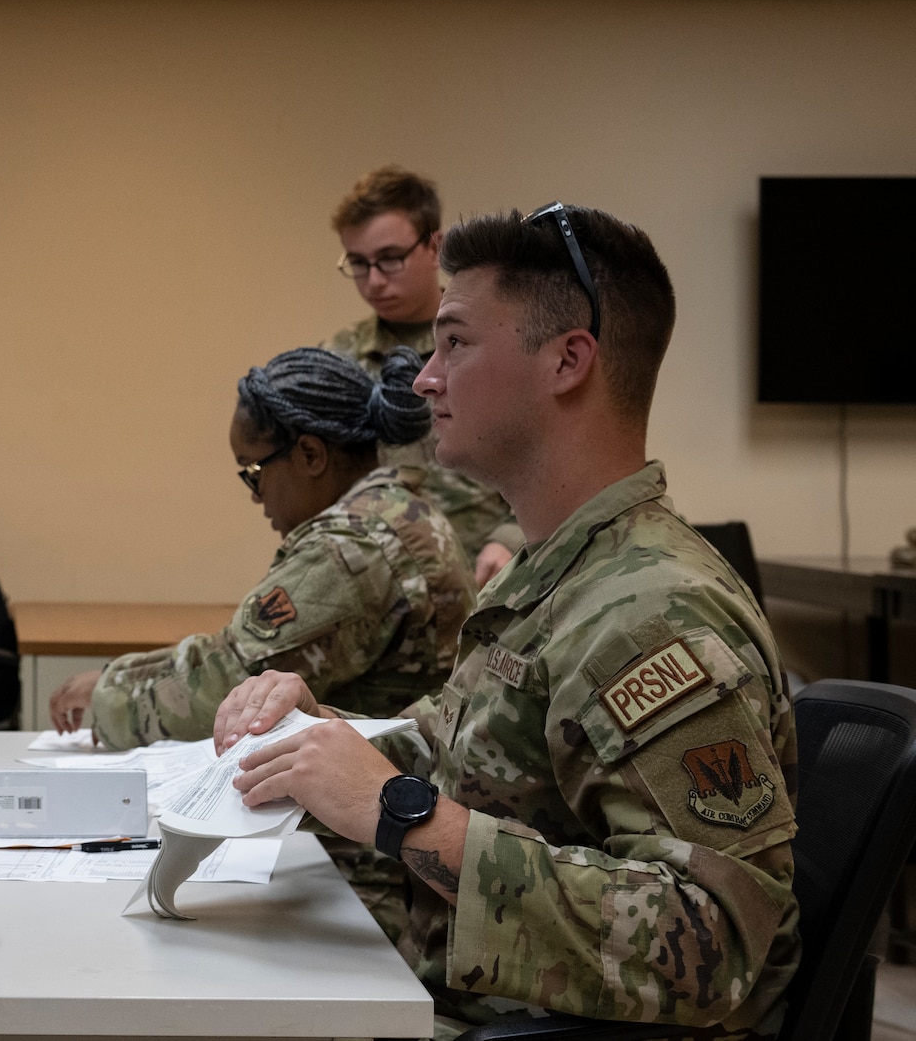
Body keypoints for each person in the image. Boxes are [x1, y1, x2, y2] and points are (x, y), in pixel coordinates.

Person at [215, 205, 798, 1037]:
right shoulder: (547, 569)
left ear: (568, 360)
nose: (424, 379)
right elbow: (470, 760)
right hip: (450, 984)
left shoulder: (654, 612)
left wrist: (401, 812)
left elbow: (714, 942)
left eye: (455, 342)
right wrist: (316, 736)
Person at [49, 347, 471, 741]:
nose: (255, 493)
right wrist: (117, 675)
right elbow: (235, 648)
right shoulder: (394, 509)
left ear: (310, 455)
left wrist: (109, 702)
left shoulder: (350, 549)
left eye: (253, 470)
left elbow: (226, 689)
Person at [325, 166, 521, 586]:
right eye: (358, 264)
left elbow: (540, 455)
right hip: (374, 585)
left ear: (435, 247)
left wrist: (511, 537)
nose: (374, 281)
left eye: (390, 259)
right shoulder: (337, 361)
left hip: (481, 581)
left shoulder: (492, 342)